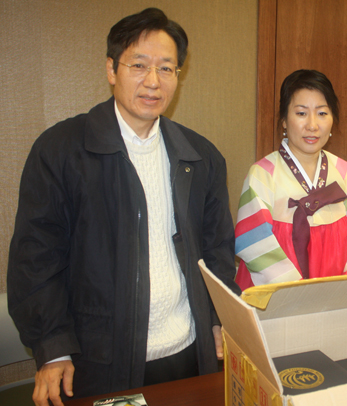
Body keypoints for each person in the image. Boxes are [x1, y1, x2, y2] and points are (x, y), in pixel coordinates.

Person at [7, 8, 239, 405]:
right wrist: (53, 347)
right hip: (97, 360)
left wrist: (220, 317)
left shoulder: (200, 156)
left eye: (167, 69)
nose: (153, 81)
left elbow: (217, 248)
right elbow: (35, 259)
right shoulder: (61, 150)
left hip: (188, 350)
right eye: (139, 65)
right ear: (112, 69)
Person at [234, 69, 347, 289]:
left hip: (334, 291)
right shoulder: (263, 174)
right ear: (284, 121)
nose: (312, 125)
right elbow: (253, 243)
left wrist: (346, 284)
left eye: (322, 113)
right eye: (301, 113)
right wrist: (297, 294)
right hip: (277, 297)